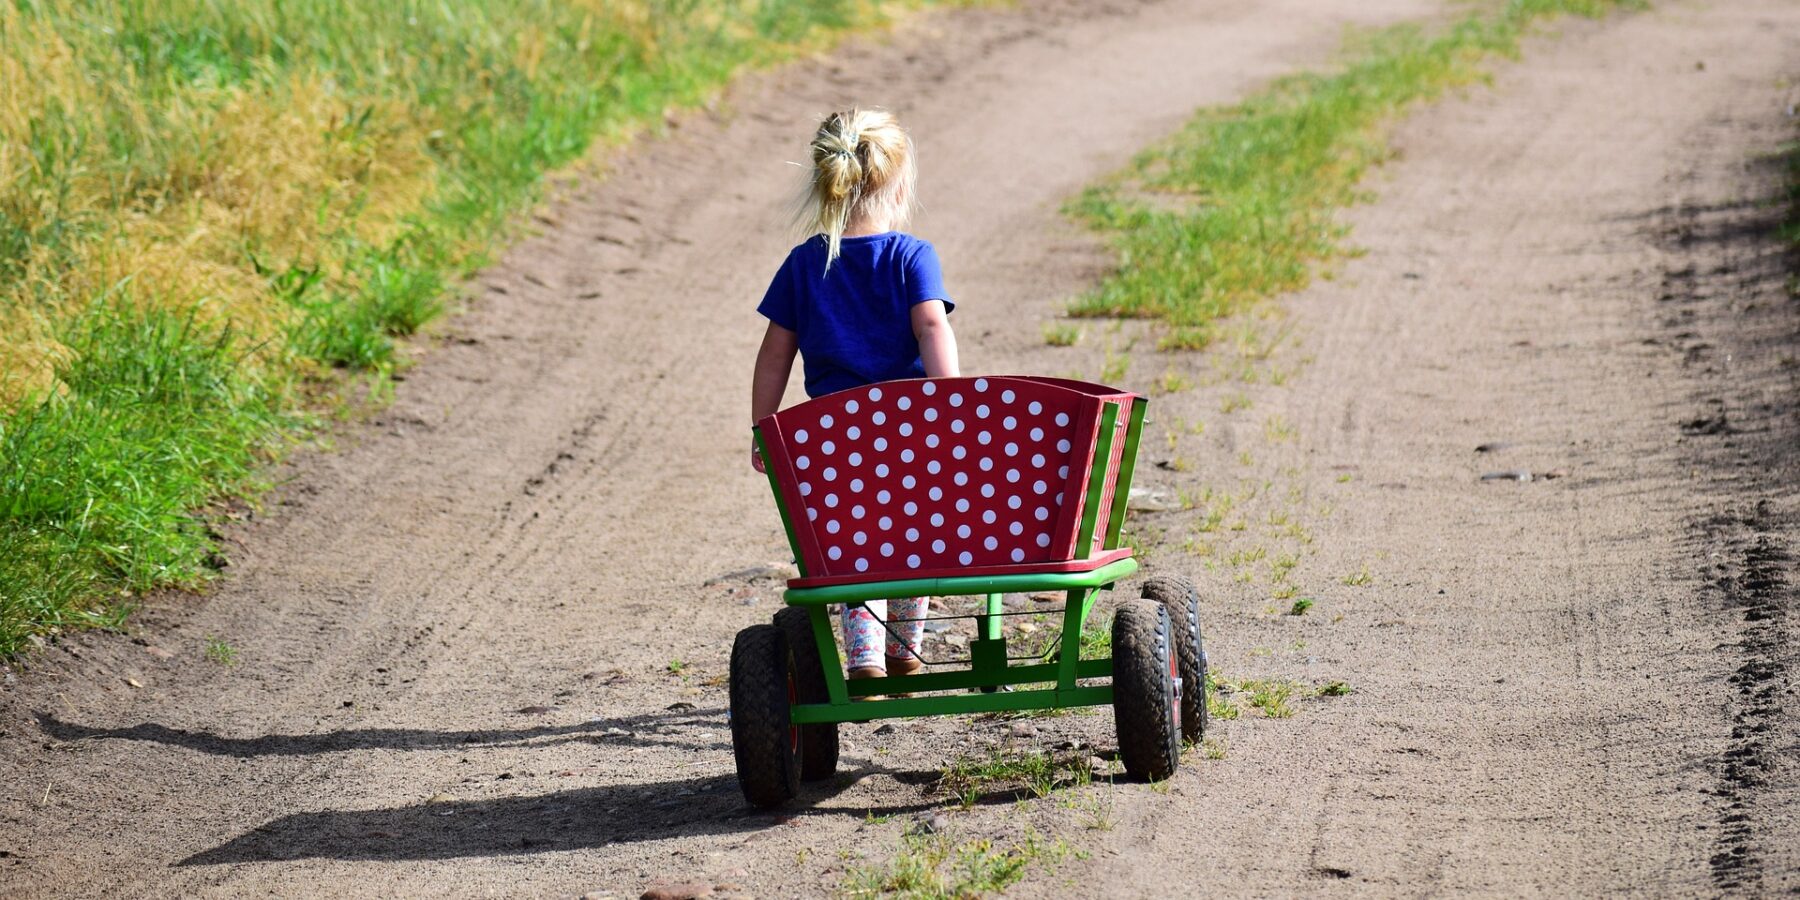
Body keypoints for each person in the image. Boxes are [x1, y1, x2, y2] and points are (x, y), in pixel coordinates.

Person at [749, 107, 958, 685]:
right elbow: (932, 328)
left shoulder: (804, 263)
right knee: (917, 532)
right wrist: (953, 409)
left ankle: (864, 652)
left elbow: (774, 354)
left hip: (833, 435)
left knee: (852, 536)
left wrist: (763, 427)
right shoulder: (912, 256)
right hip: (913, 428)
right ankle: (904, 649)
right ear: (897, 184)